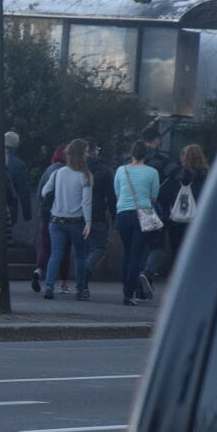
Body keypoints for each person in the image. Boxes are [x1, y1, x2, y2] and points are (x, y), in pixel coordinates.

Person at [40, 139, 93, 300]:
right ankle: (80, 290)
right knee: (80, 256)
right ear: (81, 154)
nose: (88, 155)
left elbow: (44, 192)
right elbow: (86, 202)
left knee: (55, 255)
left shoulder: (58, 173)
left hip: (56, 220)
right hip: (76, 221)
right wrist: (88, 223)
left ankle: (49, 288)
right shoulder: (85, 175)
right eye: (86, 152)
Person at [133, 126, 179, 298]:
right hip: (152, 208)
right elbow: (179, 176)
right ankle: (147, 274)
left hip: (128, 208)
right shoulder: (161, 160)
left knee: (137, 247)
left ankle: (135, 285)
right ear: (157, 140)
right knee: (157, 246)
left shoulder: (127, 162)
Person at [114, 140, 161, 306]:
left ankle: (125, 283)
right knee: (137, 255)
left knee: (127, 252)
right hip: (143, 214)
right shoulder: (152, 172)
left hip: (123, 214)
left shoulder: (121, 170)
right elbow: (154, 198)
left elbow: (118, 194)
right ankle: (129, 292)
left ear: (131, 153)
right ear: (146, 155)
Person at [32, 145, 72, 293]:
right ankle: (64, 283)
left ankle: (38, 270)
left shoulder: (48, 170)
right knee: (64, 251)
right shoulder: (65, 171)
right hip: (61, 215)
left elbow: (40, 193)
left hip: (45, 215)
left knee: (46, 248)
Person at [165, 143, 209, 259]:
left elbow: (166, 194)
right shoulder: (206, 176)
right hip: (197, 219)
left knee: (176, 251)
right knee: (193, 251)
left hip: (176, 218)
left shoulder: (176, 176)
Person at [84, 138, 118, 277]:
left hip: (77, 214)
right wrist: (114, 216)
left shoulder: (76, 167)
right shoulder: (105, 170)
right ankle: (86, 269)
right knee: (99, 247)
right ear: (94, 151)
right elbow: (111, 196)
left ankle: (82, 283)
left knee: (83, 249)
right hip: (98, 213)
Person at [4, 131, 32, 235]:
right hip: (10, 208)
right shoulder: (19, 165)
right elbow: (24, 192)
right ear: (16, 146)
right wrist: (27, 214)